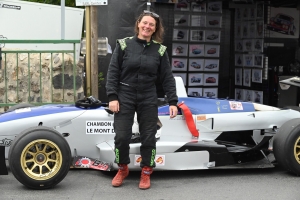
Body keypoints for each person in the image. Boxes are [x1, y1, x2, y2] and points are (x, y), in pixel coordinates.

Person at [105, 10, 178, 190]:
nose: (147, 26)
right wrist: (113, 97)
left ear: (155, 29)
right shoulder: (123, 45)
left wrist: (173, 102)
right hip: (125, 95)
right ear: (138, 24)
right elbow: (113, 72)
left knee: (148, 137)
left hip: (148, 96)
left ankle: (146, 171)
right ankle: (122, 168)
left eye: (151, 25)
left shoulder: (160, 50)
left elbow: (167, 77)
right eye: (144, 23)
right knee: (122, 136)